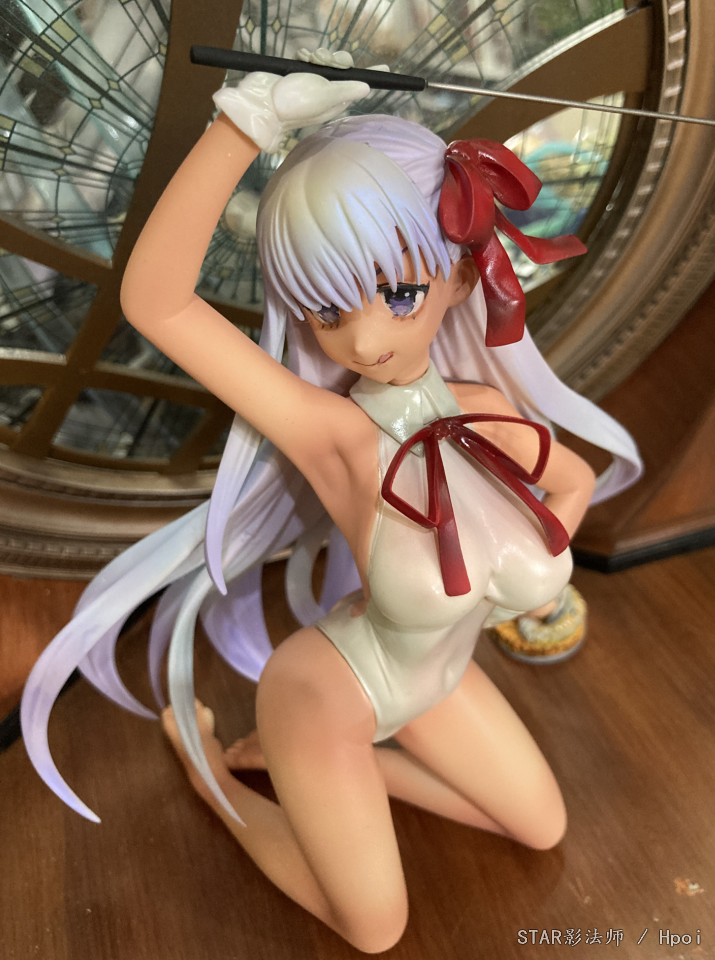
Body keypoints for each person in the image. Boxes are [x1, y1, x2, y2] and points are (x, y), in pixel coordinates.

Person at [21, 62, 642, 953]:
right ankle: (216, 777)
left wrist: (508, 583)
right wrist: (246, 122)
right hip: (328, 694)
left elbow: (573, 483)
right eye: (324, 309)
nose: (363, 337)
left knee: (541, 827)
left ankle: (325, 774)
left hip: (433, 687)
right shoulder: (335, 435)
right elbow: (156, 302)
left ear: (458, 277)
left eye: (399, 293)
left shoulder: (487, 412)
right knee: (375, 930)